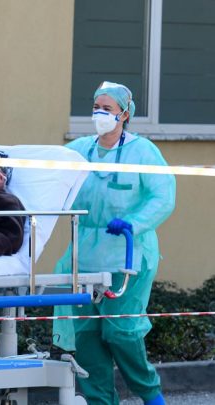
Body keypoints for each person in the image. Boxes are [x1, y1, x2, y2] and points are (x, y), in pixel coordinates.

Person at [53, 81, 176, 405]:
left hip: (127, 255)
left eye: (107, 109)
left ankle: (151, 395)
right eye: (96, 107)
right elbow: (50, 172)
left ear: (124, 114)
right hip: (83, 256)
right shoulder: (79, 150)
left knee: (122, 333)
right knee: (87, 336)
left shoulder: (143, 151)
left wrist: (133, 223)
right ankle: (100, 402)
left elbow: (163, 196)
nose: (100, 114)